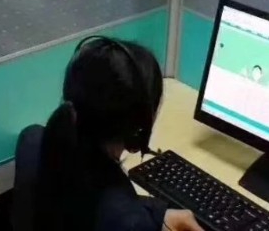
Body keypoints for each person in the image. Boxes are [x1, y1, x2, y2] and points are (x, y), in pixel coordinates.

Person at [14, 37, 202, 231]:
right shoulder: (127, 221)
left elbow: (86, 201)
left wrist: (158, 213)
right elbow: (116, 213)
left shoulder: (33, 141)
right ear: (138, 127)